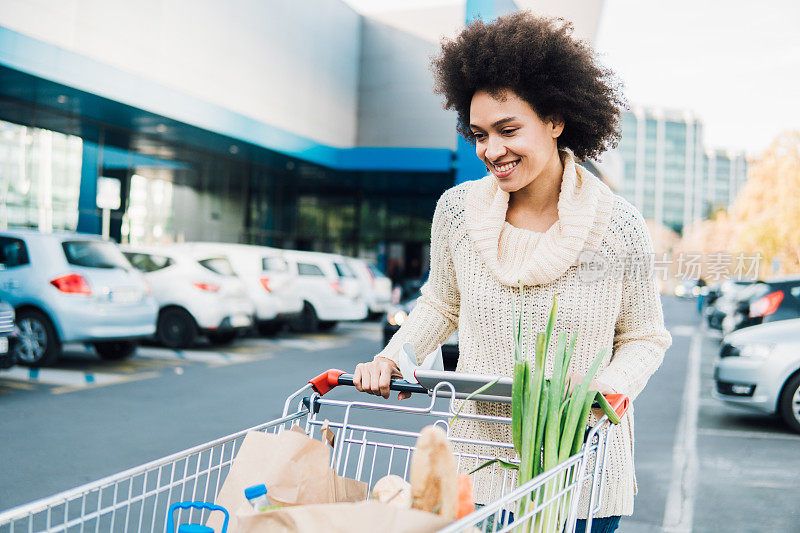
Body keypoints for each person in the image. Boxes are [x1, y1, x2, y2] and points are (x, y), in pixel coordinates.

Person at [353, 12, 672, 532]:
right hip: (481, 473)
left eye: (508, 130)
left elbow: (644, 337)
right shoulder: (457, 212)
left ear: (554, 120)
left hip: (579, 475)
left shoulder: (618, 226)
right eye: (479, 134)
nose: (491, 151)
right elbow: (441, 304)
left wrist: (606, 394)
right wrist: (391, 358)